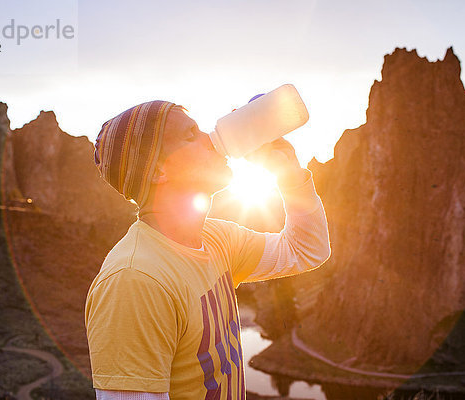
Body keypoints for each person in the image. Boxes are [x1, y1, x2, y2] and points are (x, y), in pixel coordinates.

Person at [85, 100, 330, 400]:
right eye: (191, 136)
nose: (212, 138)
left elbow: (306, 249)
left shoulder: (216, 238)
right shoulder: (134, 281)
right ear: (159, 170)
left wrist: (289, 175)